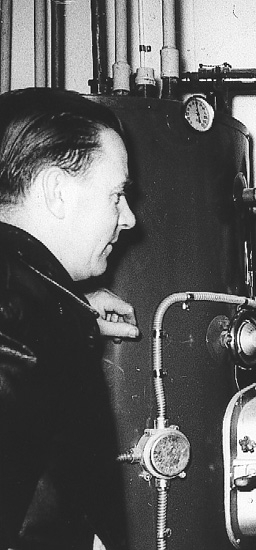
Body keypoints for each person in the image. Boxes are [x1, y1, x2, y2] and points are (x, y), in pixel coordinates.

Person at [0, 87, 138, 550]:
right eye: (117, 196)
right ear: (56, 192)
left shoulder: (27, 307)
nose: (129, 218)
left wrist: (67, 312)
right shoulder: (13, 322)